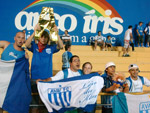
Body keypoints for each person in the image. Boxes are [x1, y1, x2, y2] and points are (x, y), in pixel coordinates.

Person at [25, 24, 63, 113]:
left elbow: (61, 46)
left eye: (45, 37)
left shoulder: (51, 47)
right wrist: (35, 32)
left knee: (45, 104)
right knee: (34, 104)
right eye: (42, 36)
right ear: (39, 37)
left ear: (48, 38)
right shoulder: (34, 46)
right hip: (34, 78)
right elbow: (26, 44)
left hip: (47, 80)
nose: (43, 39)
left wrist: (56, 33)